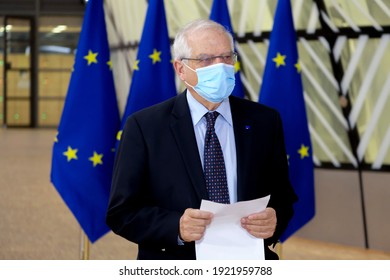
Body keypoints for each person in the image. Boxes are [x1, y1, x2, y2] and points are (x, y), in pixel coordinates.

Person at [106, 19, 298, 260]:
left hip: (249, 262)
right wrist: (176, 227)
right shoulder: (144, 127)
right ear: (180, 69)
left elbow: (283, 196)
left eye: (227, 57)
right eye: (206, 59)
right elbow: (121, 212)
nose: (220, 67)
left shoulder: (265, 121)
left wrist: (274, 220)